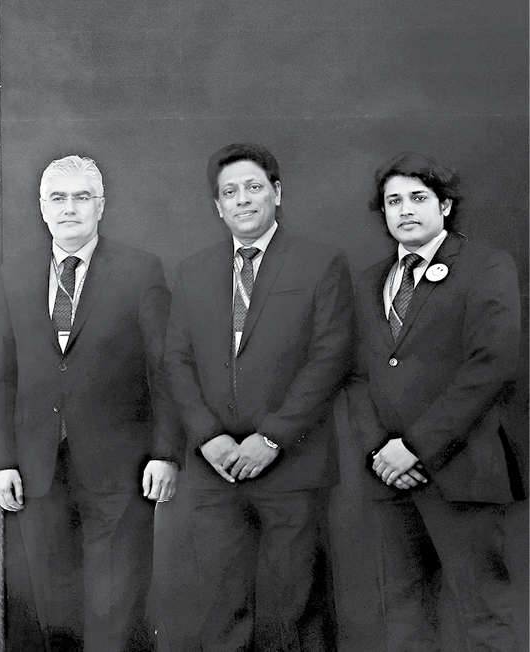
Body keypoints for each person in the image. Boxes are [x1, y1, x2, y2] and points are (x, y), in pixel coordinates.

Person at [163, 143, 352, 650]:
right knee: (221, 611)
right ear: (217, 206)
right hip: (216, 468)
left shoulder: (320, 264)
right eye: (230, 192)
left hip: (292, 465)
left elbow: (330, 358)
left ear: (277, 193)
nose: (243, 199)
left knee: (293, 613)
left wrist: (271, 438)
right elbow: (175, 361)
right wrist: (208, 437)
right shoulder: (193, 271)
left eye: (253, 187)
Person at [0, 155, 178, 650]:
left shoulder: (140, 270)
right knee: (54, 608)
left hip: (120, 467)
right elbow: (3, 376)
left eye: (81, 197)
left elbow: (164, 371)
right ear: (42, 208)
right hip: (38, 466)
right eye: (58, 198)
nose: (69, 208)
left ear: (100, 206)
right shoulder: (15, 275)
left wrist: (166, 453)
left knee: (115, 607)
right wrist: (2, 461)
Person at [346, 152, 522, 650]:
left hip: (463, 469)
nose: (405, 210)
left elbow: (491, 365)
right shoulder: (368, 281)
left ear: (444, 205)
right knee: (403, 619)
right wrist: (381, 451)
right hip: (390, 477)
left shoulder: (486, 265)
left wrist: (416, 447)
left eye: (418, 198)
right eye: (393, 201)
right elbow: (356, 377)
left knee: (484, 616)